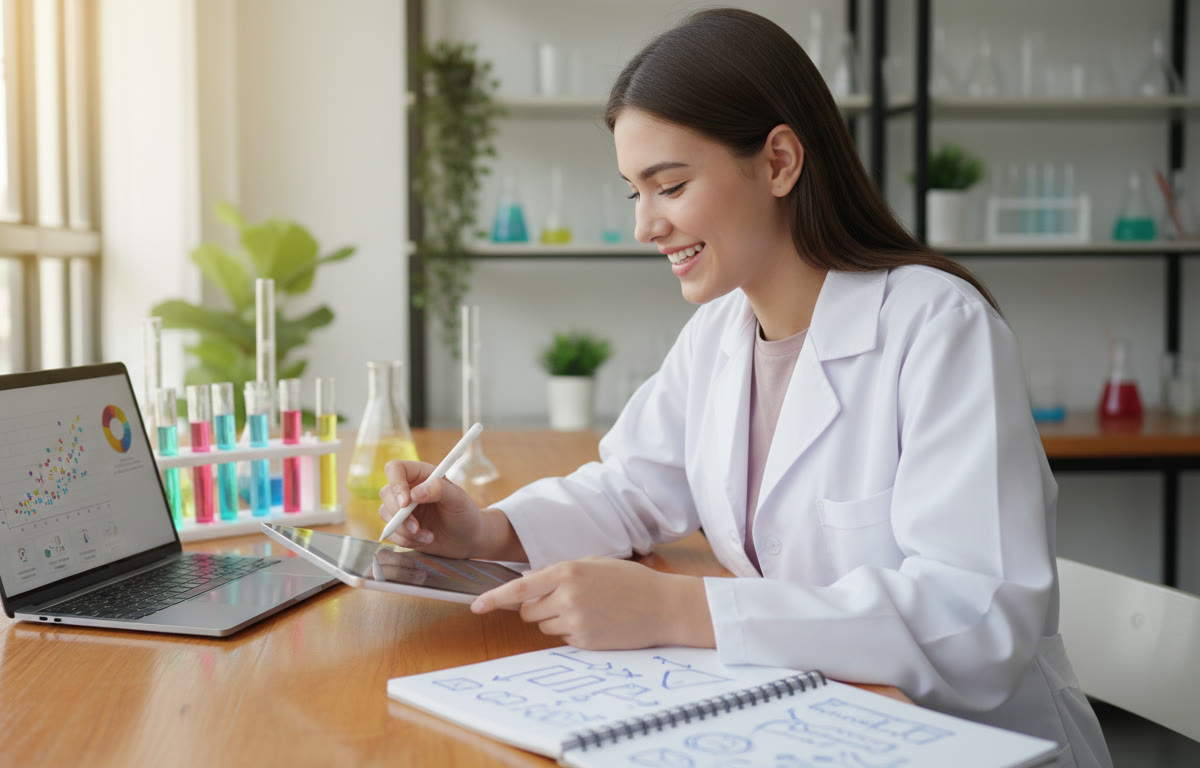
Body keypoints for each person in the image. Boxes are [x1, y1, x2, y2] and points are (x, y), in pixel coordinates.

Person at [379, 8, 1109, 768]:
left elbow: (976, 619)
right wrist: (487, 532)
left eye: (668, 186)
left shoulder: (937, 328)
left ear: (780, 162)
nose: (645, 226)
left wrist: (681, 607)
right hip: (816, 722)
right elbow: (630, 487)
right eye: (634, 192)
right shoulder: (721, 332)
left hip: (967, 742)